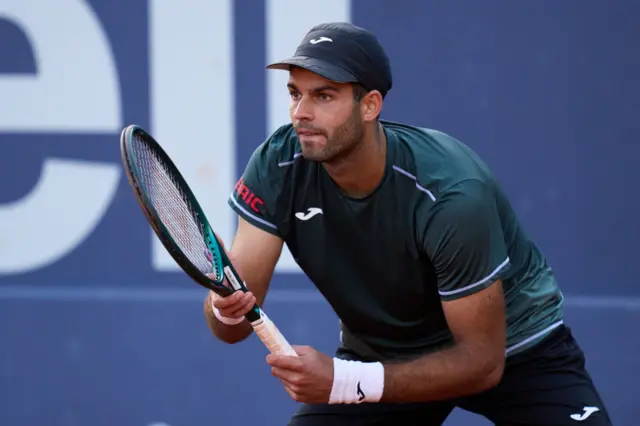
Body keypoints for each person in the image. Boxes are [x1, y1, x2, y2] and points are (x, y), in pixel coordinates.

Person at [203, 22, 612, 426]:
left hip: (514, 351)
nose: (300, 114)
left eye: (323, 96)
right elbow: (232, 328)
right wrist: (224, 309)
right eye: (295, 94)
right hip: (383, 353)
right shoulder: (278, 163)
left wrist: (345, 381)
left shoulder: (452, 193)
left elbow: (482, 365)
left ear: (370, 106)